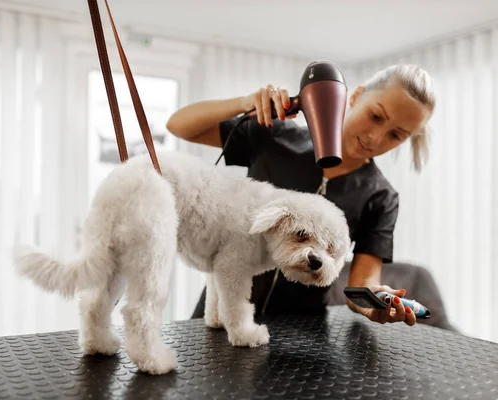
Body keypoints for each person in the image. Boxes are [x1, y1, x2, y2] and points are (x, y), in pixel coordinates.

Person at [166, 64, 436, 327]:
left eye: (396, 135)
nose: (376, 138)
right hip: (225, 313)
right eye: (376, 116)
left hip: (302, 332)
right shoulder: (275, 137)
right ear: (355, 96)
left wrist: (375, 303)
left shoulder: (381, 197)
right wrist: (245, 102)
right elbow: (179, 125)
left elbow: (361, 285)